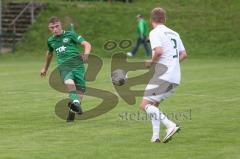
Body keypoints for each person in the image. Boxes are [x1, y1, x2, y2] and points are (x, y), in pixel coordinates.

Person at [141, 8, 187, 143]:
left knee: (144, 105)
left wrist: (151, 62)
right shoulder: (175, 33)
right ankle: (155, 136)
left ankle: (170, 125)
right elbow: (184, 54)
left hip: (163, 76)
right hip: (175, 77)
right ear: (164, 19)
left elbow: (159, 51)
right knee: (154, 104)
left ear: (151, 20)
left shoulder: (155, 32)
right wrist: (172, 63)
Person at [40, 16, 91, 122]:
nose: (55, 29)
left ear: (61, 24)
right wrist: (45, 68)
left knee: (80, 91)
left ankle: (72, 113)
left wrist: (86, 54)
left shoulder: (71, 34)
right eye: (52, 27)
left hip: (78, 65)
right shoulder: (50, 41)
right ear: (49, 28)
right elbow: (49, 54)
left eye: (57, 26)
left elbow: (86, 44)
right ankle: (76, 103)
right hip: (64, 66)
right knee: (69, 82)